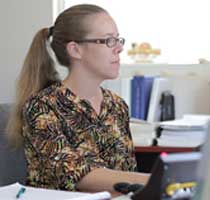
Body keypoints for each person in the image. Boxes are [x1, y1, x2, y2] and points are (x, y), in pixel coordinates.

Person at [6, 4, 149, 195]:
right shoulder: (42, 107)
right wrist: (156, 179)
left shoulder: (116, 105)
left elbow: (127, 175)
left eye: (118, 39)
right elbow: (80, 176)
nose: (119, 48)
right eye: (108, 40)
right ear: (75, 50)